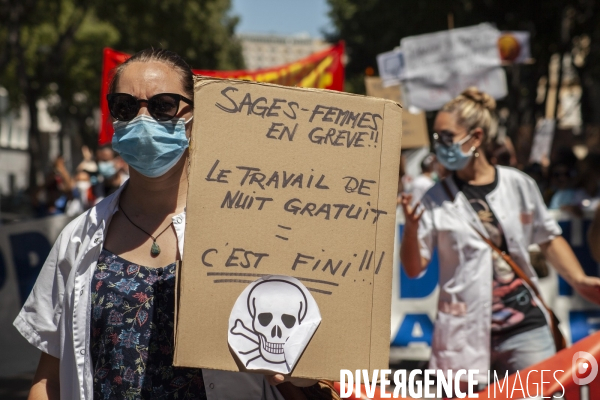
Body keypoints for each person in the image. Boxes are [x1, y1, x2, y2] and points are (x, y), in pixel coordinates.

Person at [15, 48, 321, 400]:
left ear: (196, 115)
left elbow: (305, 377)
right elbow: (48, 380)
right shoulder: (77, 238)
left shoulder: (251, 231)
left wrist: (300, 375)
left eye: (163, 105)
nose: (142, 119)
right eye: (126, 107)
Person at [400, 87, 600, 392]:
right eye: (436, 137)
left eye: (446, 137)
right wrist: (412, 232)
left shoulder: (519, 185)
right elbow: (414, 269)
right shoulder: (433, 198)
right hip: (462, 335)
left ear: (476, 137)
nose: (439, 146)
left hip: (525, 327)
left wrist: (579, 279)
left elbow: (548, 237)